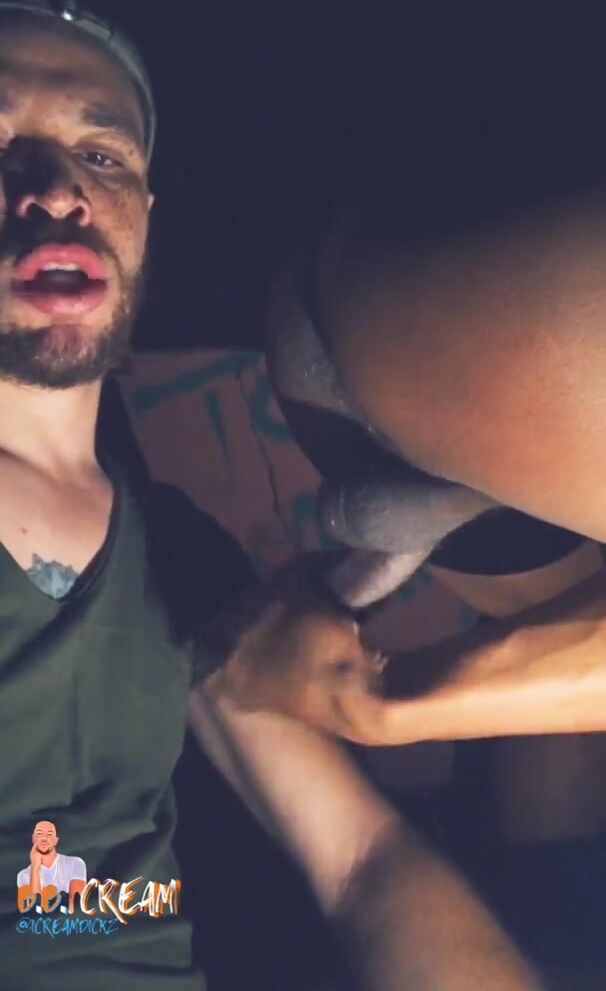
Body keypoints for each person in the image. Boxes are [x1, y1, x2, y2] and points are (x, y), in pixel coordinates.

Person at [0, 3, 542, 990]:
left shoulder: (173, 548)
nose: (57, 189)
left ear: (144, 213)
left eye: (102, 155)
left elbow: (363, 862)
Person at [16, 820, 86, 914]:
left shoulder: (75, 863)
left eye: (50, 834)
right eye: (39, 833)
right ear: (33, 838)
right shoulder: (23, 876)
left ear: (56, 840)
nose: (44, 838)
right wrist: (35, 867)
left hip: (71, 921)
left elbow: (78, 904)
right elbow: (33, 910)